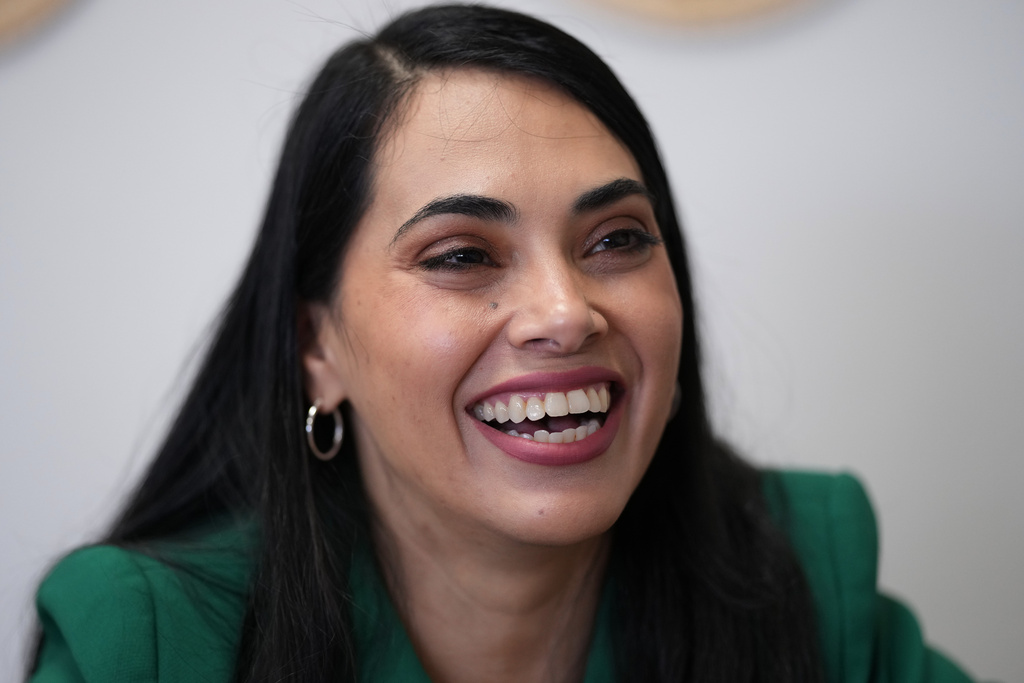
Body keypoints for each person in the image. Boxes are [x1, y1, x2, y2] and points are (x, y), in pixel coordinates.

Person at [29, 5, 981, 682]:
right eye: (461, 254)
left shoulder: (804, 577)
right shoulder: (147, 643)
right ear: (316, 345)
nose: (566, 312)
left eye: (615, 240)